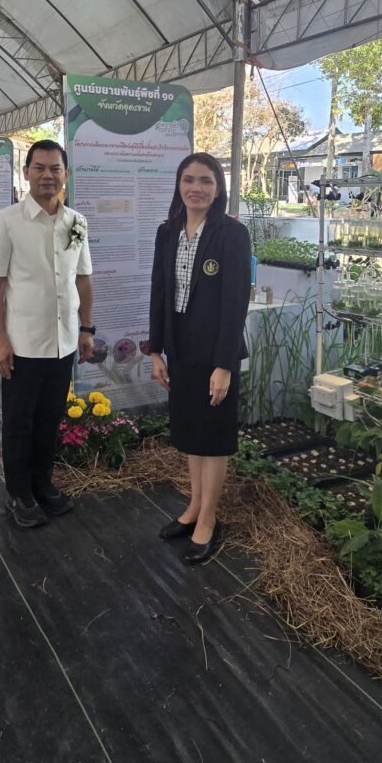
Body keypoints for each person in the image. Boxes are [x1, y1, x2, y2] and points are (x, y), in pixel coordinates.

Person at [0, 140, 94, 529]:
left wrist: (86, 328)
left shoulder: (76, 222)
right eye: (40, 168)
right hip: (23, 344)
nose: (48, 175)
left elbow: (83, 278)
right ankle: (19, 493)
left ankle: (42, 484)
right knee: (19, 421)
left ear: (66, 174)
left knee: (49, 420)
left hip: (64, 342)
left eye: (55, 168)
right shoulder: (6, 221)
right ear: (26, 172)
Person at [149, 152, 251, 565]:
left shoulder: (231, 234)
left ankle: (209, 518)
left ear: (218, 187)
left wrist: (224, 365)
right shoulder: (167, 232)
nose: (196, 188)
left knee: (213, 439)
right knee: (192, 433)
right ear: (179, 185)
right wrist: (155, 350)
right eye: (189, 179)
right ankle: (193, 506)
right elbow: (159, 292)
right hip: (180, 348)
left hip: (215, 353)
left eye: (206, 180)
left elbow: (236, 302)